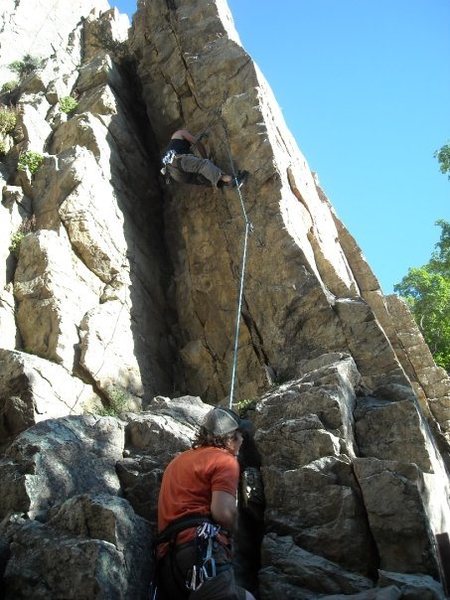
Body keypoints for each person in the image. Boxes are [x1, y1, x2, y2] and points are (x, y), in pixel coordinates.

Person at [155, 406, 257, 600]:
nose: (243, 440)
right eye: (240, 435)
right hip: (201, 553)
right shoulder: (225, 461)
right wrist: (235, 529)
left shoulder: (177, 461)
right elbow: (223, 513)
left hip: (168, 561)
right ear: (230, 437)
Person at [161, 129, 247, 188]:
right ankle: (232, 180)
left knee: (201, 177)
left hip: (174, 174)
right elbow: (197, 143)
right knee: (203, 165)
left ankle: (228, 183)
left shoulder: (174, 146)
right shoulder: (180, 132)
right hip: (177, 161)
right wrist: (206, 159)